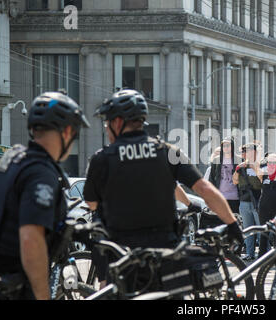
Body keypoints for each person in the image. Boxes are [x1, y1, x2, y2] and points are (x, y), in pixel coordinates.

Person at [83, 89, 243, 281]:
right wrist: (232, 224)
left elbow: (91, 204)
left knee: (109, 288)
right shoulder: (167, 152)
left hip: (121, 255)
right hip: (165, 254)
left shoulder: (101, 159)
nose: (107, 128)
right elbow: (205, 189)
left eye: (107, 123)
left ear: (117, 123)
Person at [0, 92, 90, 300]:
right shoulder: (42, 173)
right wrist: (42, 296)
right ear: (67, 132)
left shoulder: (13, 161)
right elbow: (31, 240)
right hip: (15, 287)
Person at [256, 148, 276, 258]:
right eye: (269, 162)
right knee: (263, 233)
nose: (271, 164)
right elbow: (257, 168)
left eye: (273, 162)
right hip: (264, 207)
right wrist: (259, 155)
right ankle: (261, 258)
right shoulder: (263, 175)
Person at [232, 143, 262, 262]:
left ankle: (264, 253)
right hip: (244, 200)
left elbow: (262, 178)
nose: (244, 153)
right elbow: (234, 181)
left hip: (257, 198)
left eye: (247, 151)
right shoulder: (241, 166)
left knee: (260, 229)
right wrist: (238, 170)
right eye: (243, 151)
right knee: (248, 229)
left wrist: (253, 165)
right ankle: (250, 253)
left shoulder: (261, 163)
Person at [208, 137, 241, 215]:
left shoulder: (239, 160)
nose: (226, 148)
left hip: (235, 198)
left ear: (232, 147)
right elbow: (211, 179)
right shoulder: (216, 160)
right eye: (224, 146)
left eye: (228, 145)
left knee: (234, 222)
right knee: (220, 222)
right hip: (220, 198)